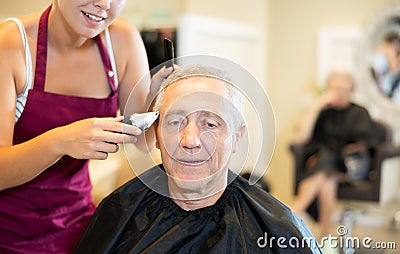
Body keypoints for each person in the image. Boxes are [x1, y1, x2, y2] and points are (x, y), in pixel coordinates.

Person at [75, 65, 322, 253]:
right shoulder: (118, 212)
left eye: (210, 124)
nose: (190, 140)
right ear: (158, 136)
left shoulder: (277, 230)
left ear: (236, 137)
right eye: (175, 122)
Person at [0, 1, 172, 253]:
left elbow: (142, 144)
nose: (104, 3)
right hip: (7, 231)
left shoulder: (122, 40)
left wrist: (155, 101)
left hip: (78, 225)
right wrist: (60, 142)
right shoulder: (10, 44)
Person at [291, 70, 375, 238]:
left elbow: (363, 146)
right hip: (326, 168)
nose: (337, 88)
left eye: (341, 83)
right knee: (327, 180)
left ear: (350, 87)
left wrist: (333, 156)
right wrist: (316, 106)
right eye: (333, 84)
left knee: (326, 161)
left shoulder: (360, 112)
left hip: (349, 167)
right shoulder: (324, 112)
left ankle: (292, 212)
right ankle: (326, 237)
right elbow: (300, 138)